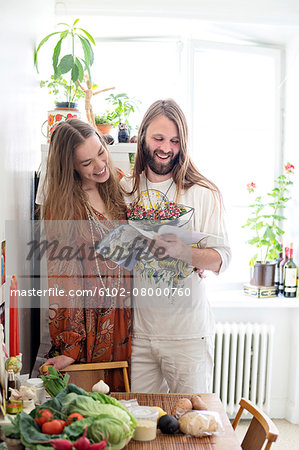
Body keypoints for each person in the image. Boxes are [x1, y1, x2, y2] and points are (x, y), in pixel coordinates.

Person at [121, 99, 231, 393]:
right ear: (142, 136)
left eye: (175, 141)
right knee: (142, 427)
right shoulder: (125, 192)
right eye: (158, 138)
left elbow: (222, 259)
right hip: (140, 335)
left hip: (188, 336)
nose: (166, 148)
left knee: (191, 425)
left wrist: (181, 251)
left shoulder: (204, 192)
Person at [40, 118, 132, 391]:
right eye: (87, 163)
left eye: (100, 152)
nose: (100, 165)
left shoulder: (119, 184)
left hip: (127, 317)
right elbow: (62, 281)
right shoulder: (62, 209)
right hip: (90, 324)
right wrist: (70, 344)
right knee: (95, 409)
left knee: (127, 405)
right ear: (70, 166)